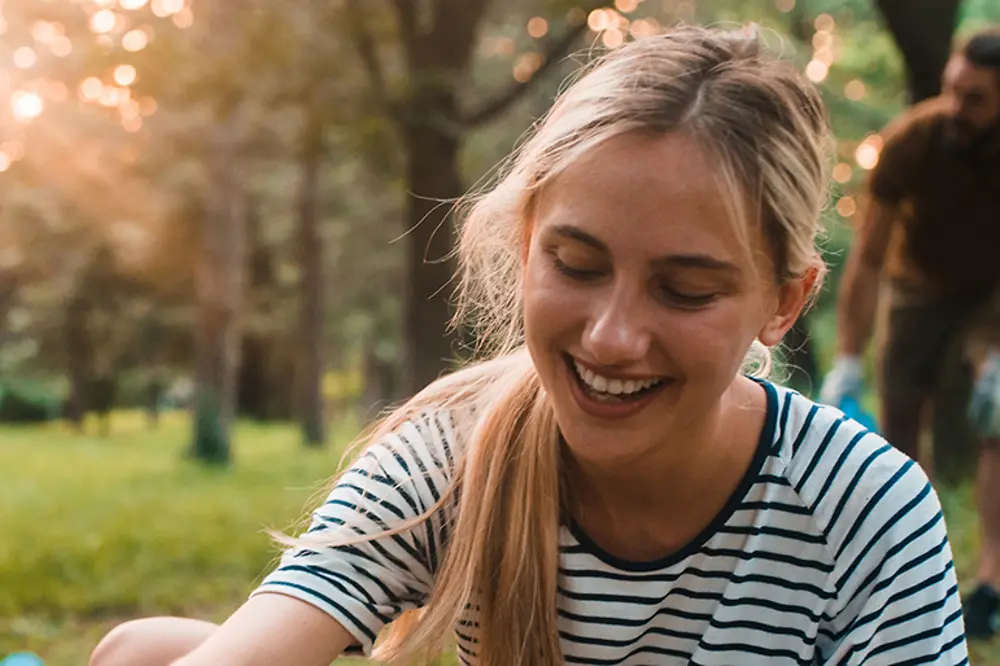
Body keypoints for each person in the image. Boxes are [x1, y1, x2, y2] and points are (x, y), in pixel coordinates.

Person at [91, 26, 967, 665]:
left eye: (685, 290)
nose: (615, 337)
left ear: (785, 302)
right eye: (578, 265)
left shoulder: (864, 511)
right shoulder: (451, 450)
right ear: (525, 246)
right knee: (141, 651)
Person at [820, 28, 1000, 640]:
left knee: (997, 414)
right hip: (917, 285)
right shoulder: (911, 143)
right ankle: (915, 566)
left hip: (993, 294)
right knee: (898, 426)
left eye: (974, 98)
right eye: (953, 89)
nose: (956, 106)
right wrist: (847, 357)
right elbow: (868, 259)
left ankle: (990, 589)